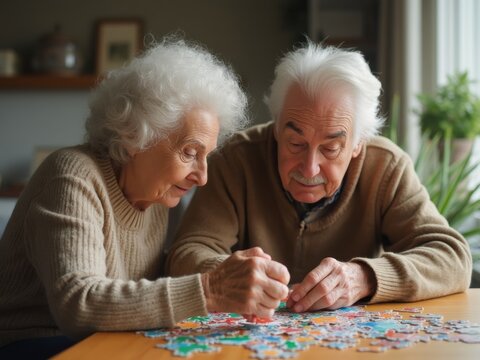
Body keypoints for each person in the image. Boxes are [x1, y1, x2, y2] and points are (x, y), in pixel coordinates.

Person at [0, 38, 289, 358]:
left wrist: (228, 271)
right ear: (136, 135)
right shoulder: (72, 176)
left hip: (108, 340)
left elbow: (161, 276)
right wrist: (212, 288)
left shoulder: (160, 197)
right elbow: (79, 303)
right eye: (190, 152)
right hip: (34, 344)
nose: (202, 176)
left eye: (207, 156)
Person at [167, 41, 472, 313]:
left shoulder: (386, 167)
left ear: (357, 144)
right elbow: (185, 254)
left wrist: (365, 277)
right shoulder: (237, 160)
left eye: (331, 148)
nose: (309, 168)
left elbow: (453, 258)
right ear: (276, 127)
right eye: (296, 144)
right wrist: (228, 275)